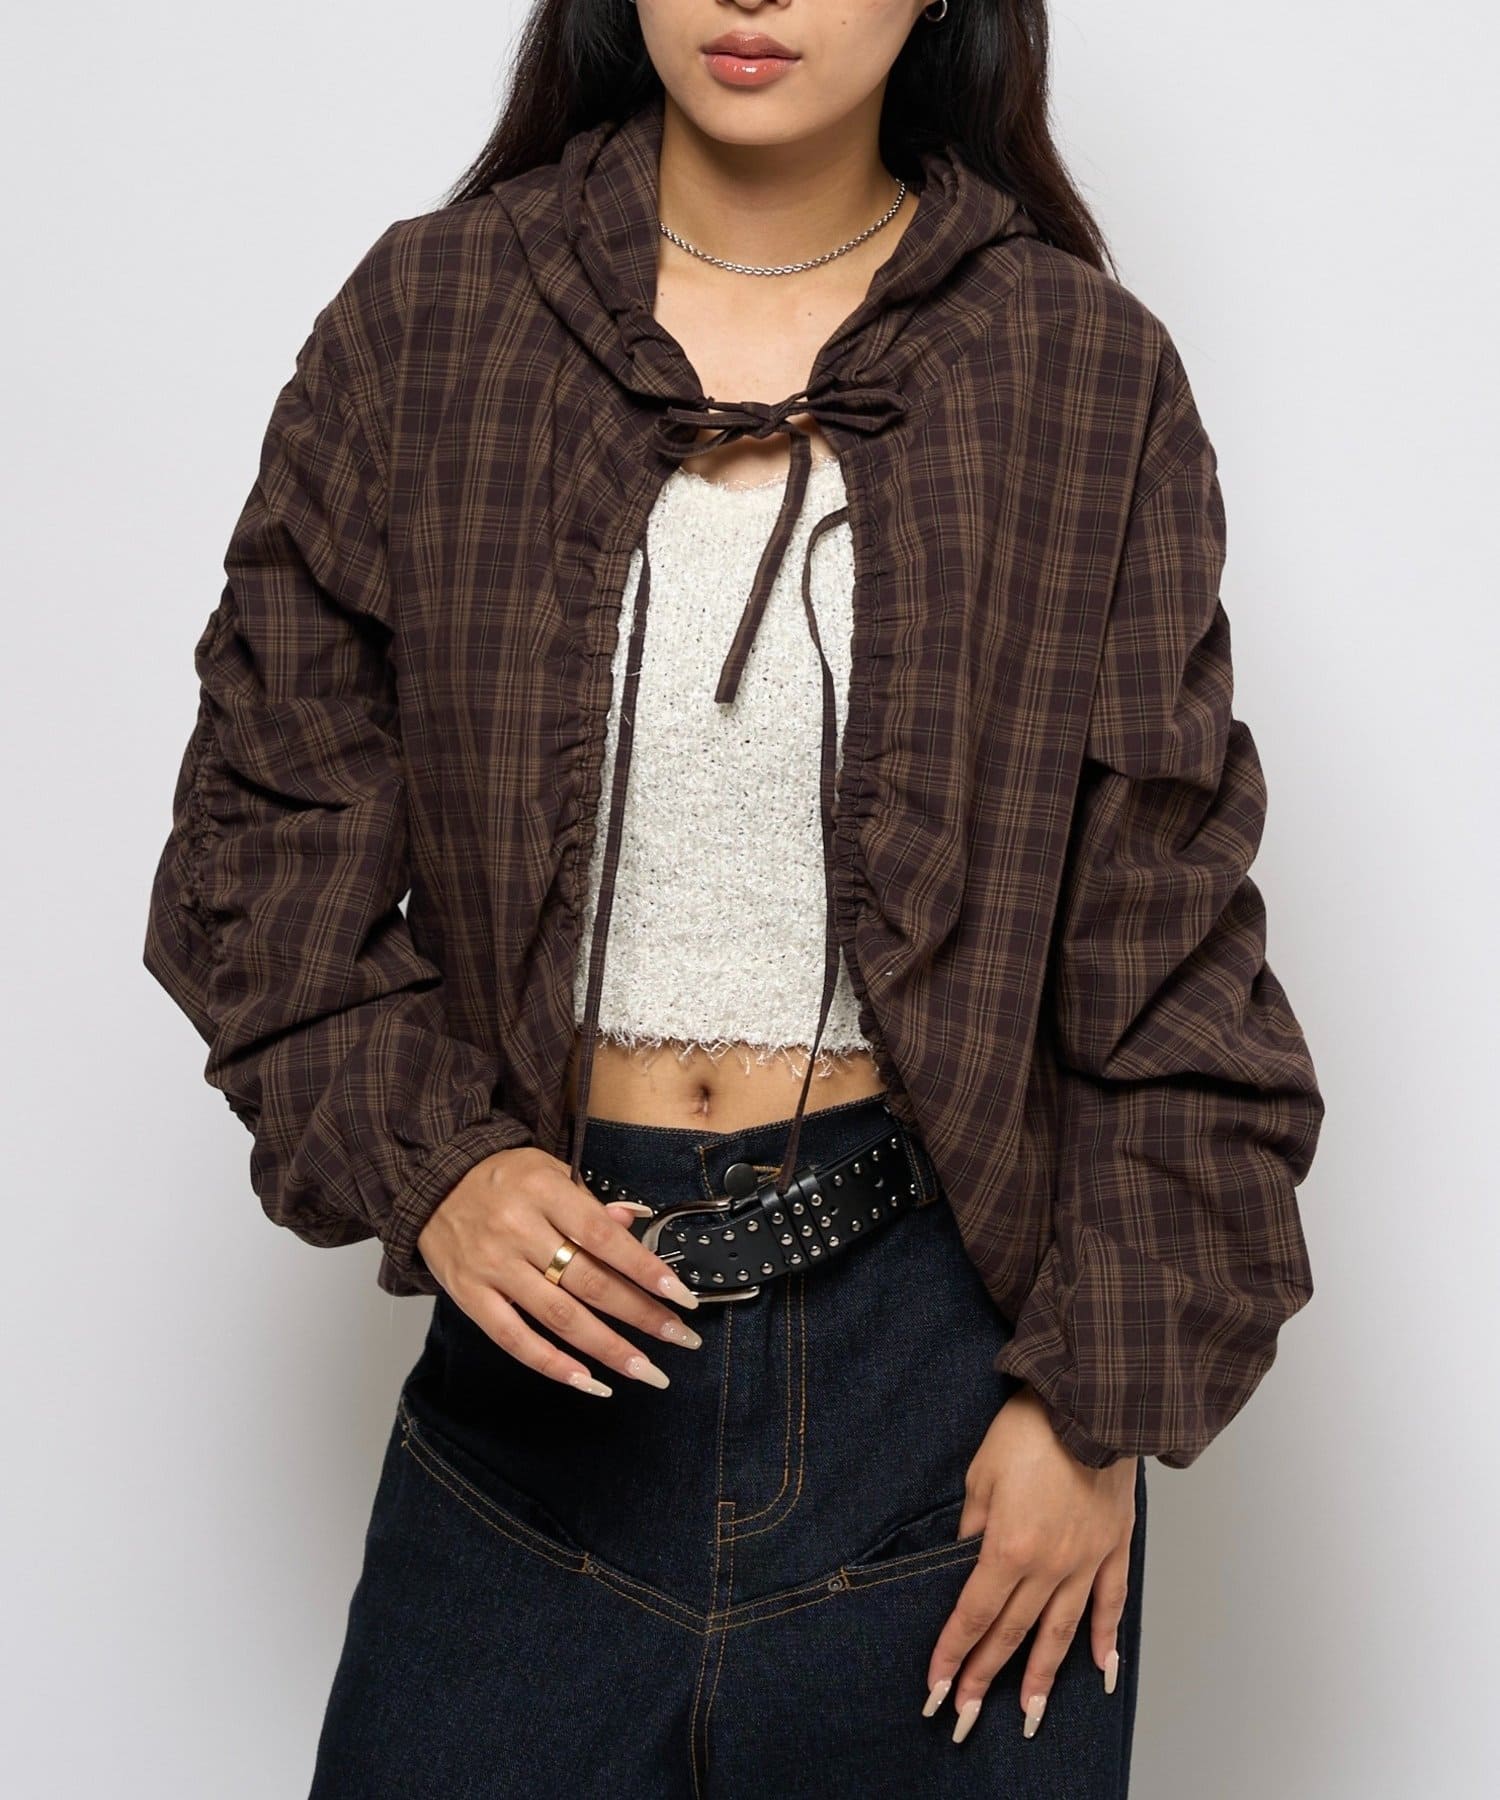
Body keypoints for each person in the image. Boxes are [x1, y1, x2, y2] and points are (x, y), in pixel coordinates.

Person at [142, 3, 1325, 1794]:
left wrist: (1096, 1411)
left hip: (942, 1408)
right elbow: (257, 834)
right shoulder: (432, 321)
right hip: (541, 1385)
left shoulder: (1079, 371)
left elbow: (1168, 950)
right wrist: (436, 1164)